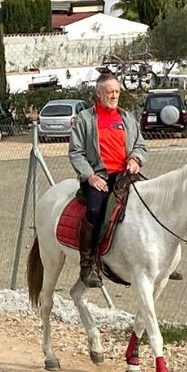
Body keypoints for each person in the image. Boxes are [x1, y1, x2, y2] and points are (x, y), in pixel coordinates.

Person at [68, 72, 147, 288]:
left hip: (124, 175)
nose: (114, 96)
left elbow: (140, 145)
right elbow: (76, 153)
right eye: (110, 92)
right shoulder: (85, 119)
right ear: (98, 92)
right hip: (98, 176)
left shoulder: (127, 118)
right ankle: (88, 263)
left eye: (117, 92)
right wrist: (90, 176)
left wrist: (135, 159)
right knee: (95, 210)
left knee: (151, 200)